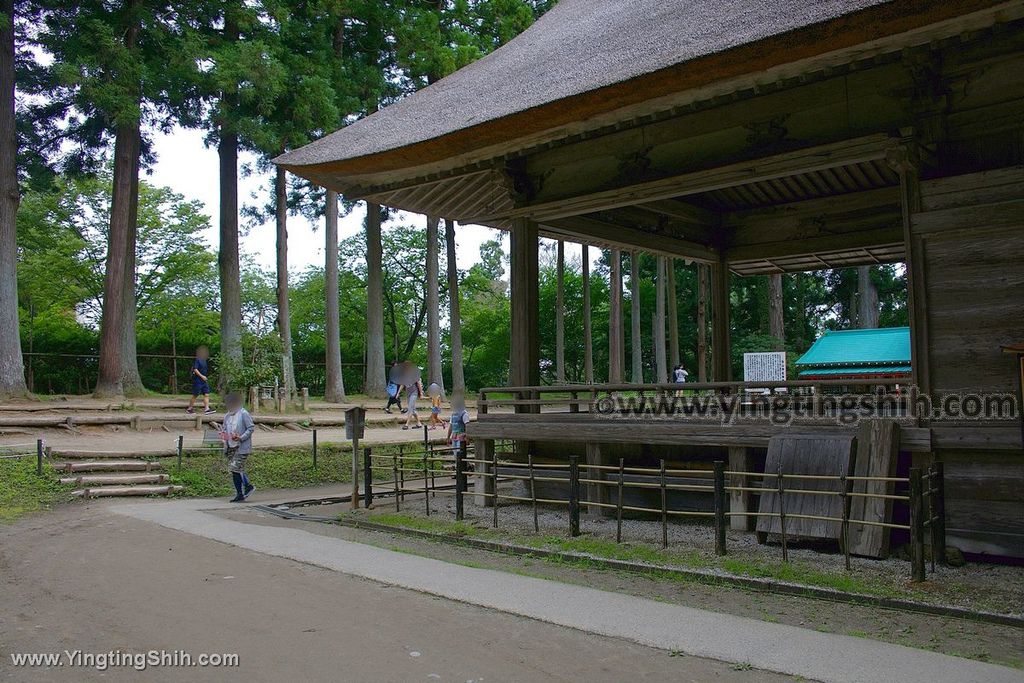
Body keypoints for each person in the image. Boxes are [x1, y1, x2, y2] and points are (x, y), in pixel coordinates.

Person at [221, 393, 255, 502]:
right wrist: (224, 436)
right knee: (236, 469)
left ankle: (240, 493)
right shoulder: (227, 416)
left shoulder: (243, 414)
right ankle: (247, 486)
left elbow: (250, 428)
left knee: (234, 468)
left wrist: (240, 437)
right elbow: (225, 430)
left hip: (241, 447)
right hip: (230, 446)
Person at [187, 346, 214, 415]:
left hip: (204, 380)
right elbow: (195, 369)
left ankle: (207, 409)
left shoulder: (204, 360)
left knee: (206, 394)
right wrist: (202, 376)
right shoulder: (197, 360)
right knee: (195, 394)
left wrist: (204, 377)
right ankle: (190, 408)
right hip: (198, 380)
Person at [401, 363, 424, 430]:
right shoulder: (405, 376)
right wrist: (397, 393)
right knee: (413, 409)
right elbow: (402, 384)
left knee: (410, 408)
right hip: (408, 394)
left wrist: (421, 393)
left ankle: (407, 424)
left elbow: (419, 384)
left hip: (414, 393)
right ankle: (419, 423)